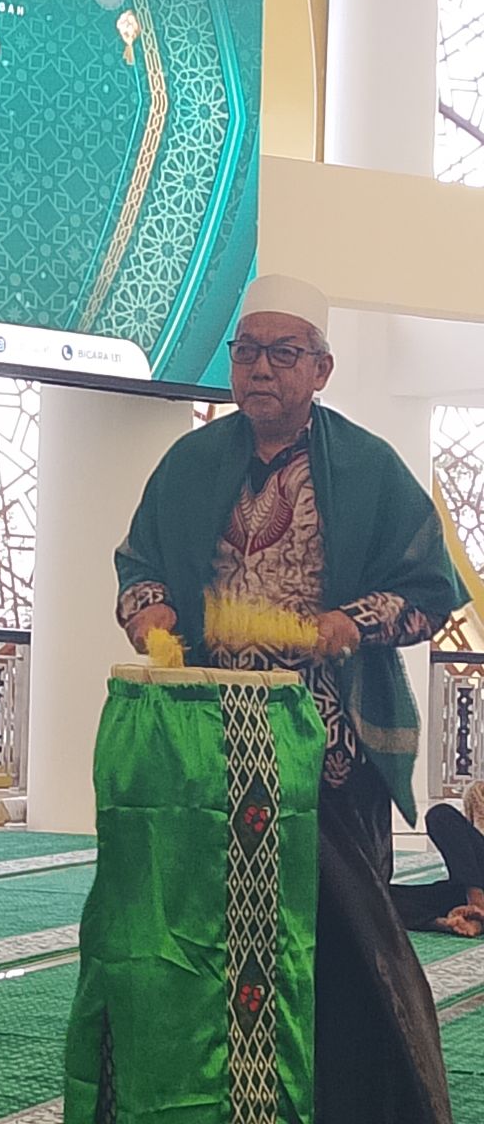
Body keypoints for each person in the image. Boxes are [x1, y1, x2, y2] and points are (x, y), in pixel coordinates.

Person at [115, 273, 466, 1124]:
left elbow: (430, 593)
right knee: (204, 935)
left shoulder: (368, 469)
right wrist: (147, 608)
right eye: (247, 352)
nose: (260, 369)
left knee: (339, 947)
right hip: (207, 745)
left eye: (282, 353)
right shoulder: (191, 463)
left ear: (321, 369)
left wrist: (354, 621)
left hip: (325, 753)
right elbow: (140, 563)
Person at [390, 782, 484, 937]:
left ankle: (477, 907)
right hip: (467, 889)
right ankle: (455, 921)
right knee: (378, 897)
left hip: (471, 890)